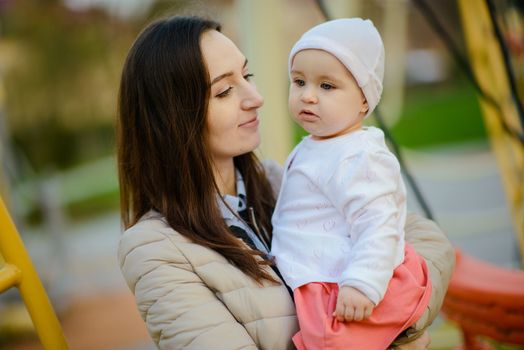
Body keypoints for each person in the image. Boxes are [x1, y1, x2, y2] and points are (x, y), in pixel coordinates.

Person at [116, 15, 455, 350]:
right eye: (225, 91)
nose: (255, 97)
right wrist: (396, 339)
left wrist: (381, 318)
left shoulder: (282, 181)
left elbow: (428, 241)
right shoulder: (155, 250)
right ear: (171, 117)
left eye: (247, 75)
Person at [271, 18, 431, 350]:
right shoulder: (316, 144)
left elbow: (378, 223)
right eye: (299, 81)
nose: (308, 96)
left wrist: (362, 282)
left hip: (342, 280)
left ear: (364, 101)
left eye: (327, 86)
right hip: (316, 274)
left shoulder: (358, 156)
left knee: (332, 344)